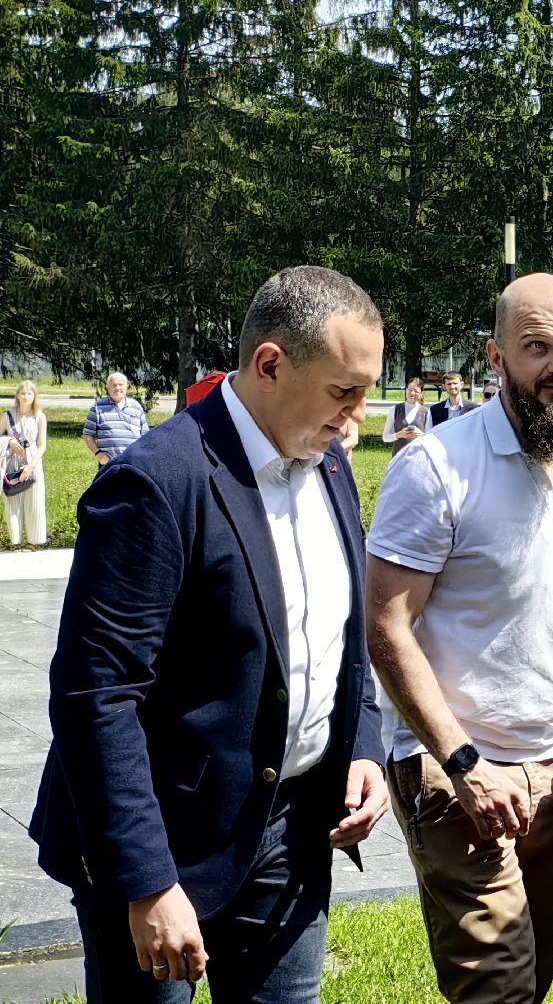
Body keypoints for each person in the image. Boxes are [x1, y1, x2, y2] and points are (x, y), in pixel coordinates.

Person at [30, 265, 390, 1002]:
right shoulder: (155, 484)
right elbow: (94, 696)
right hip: (165, 846)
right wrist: (146, 882)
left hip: (291, 832)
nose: (357, 418)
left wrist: (361, 747)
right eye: (344, 392)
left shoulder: (327, 465)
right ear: (270, 365)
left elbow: (343, 635)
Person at [365, 273, 553, 1004]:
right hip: (456, 774)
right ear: (496, 356)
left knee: (532, 983)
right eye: (537, 346)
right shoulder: (437, 466)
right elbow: (385, 625)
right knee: (498, 994)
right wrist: (460, 761)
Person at [2, 380, 48, 548]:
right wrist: (8, 442)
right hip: (12, 460)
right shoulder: (7, 415)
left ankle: (33, 542)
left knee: (34, 501)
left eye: (29, 393)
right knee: (12, 501)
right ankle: (16, 542)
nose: (26, 396)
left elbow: (42, 444)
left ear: (34, 396)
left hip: (33, 460)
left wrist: (31, 466)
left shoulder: (40, 417)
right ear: (17, 396)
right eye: (23, 393)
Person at [82, 371, 150, 468]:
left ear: (126, 387)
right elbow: (87, 435)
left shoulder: (136, 407)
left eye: (120, 385)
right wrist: (98, 454)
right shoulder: (98, 407)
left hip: (133, 463)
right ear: (108, 388)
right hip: (109, 464)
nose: (117, 388)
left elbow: (146, 436)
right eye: (113, 385)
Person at [383, 377, 431, 455]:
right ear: (406, 389)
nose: (412, 393)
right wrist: (398, 435)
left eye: (416, 391)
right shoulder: (395, 409)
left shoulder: (426, 412)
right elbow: (385, 438)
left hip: (418, 457)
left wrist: (420, 434)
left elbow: (430, 440)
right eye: (410, 390)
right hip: (398, 457)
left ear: (421, 393)